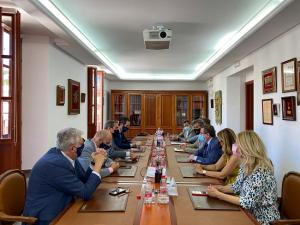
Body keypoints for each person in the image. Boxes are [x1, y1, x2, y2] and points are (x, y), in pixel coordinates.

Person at [23, 128, 106, 225]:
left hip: (64, 205)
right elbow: (85, 192)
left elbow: (83, 180)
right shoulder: (55, 164)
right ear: (72, 148)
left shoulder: (67, 156)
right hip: (46, 217)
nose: (83, 146)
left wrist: (93, 162)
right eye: (81, 144)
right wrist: (98, 165)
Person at [207, 131, 280, 225]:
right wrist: (219, 188)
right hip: (247, 214)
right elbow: (236, 186)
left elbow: (247, 202)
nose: (235, 148)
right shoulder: (245, 165)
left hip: (262, 219)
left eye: (238, 144)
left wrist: (218, 195)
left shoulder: (261, 171)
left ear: (247, 148)